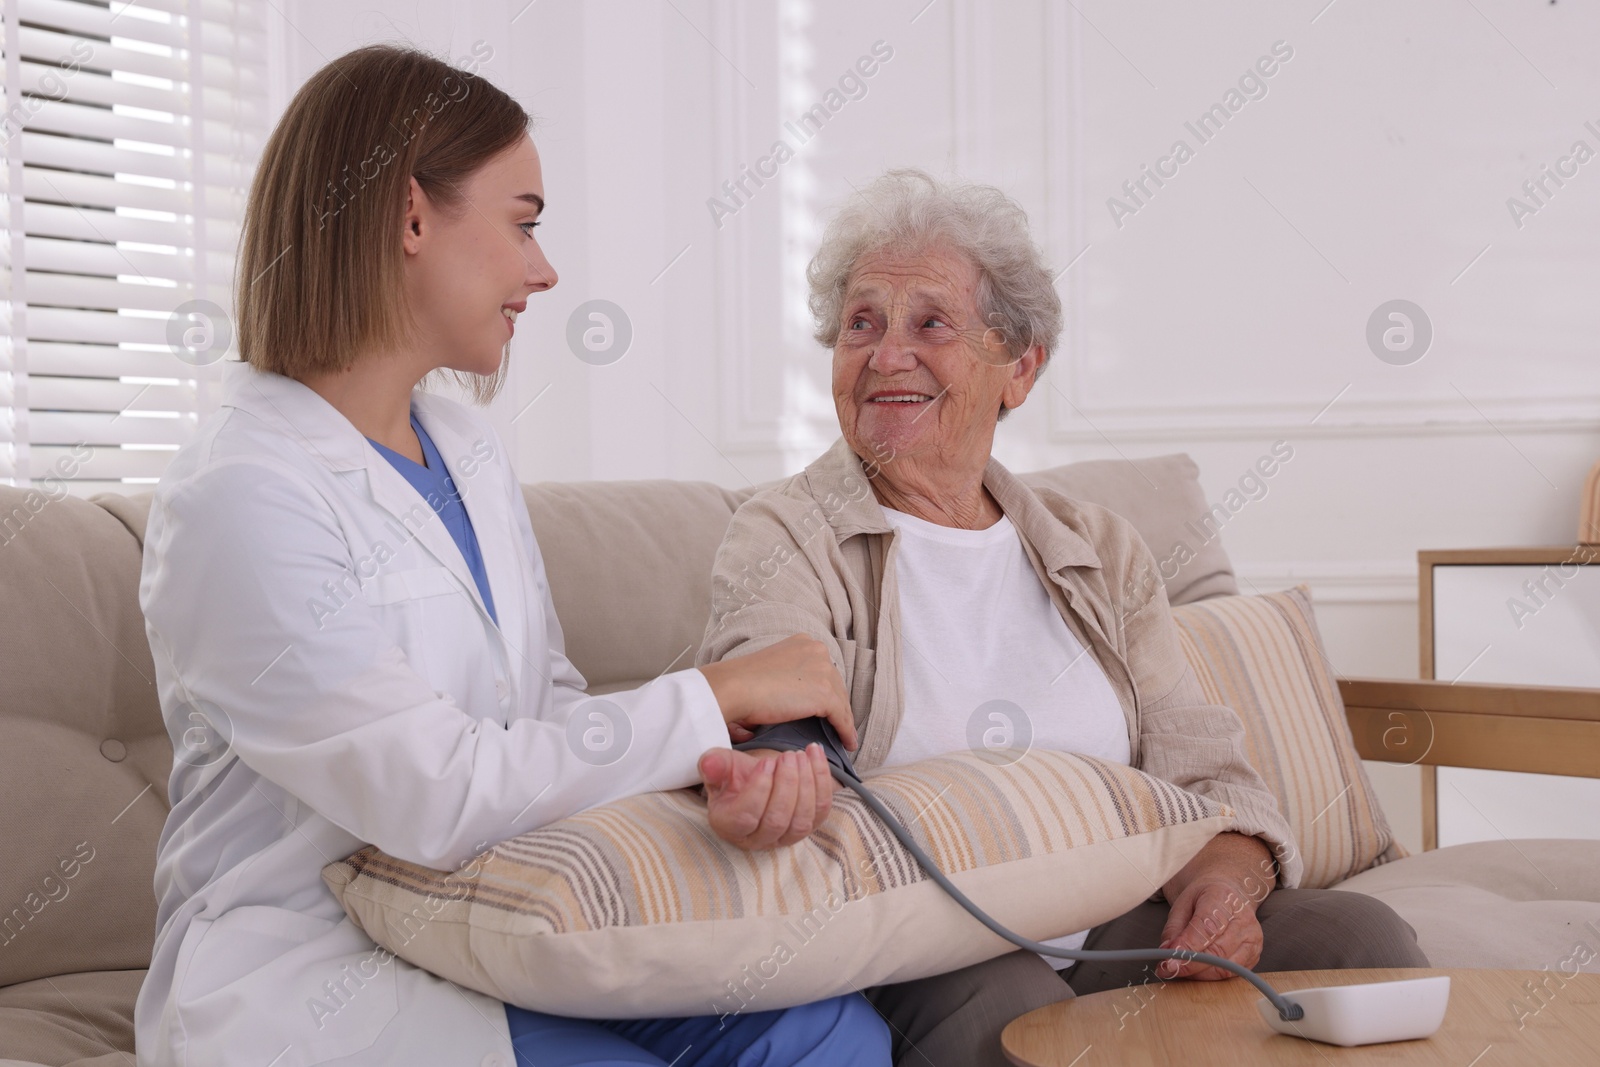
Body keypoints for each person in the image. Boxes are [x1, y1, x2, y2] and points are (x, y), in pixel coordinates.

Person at [134, 45, 890, 1067]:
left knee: (828, 1027)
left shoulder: (467, 448)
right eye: (523, 221)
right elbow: (433, 795)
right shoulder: (240, 495)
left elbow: (542, 710)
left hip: (491, 923)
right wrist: (707, 697)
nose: (544, 268)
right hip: (314, 976)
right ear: (409, 216)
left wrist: (712, 767)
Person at [696, 168, 1430, 1066]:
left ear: (1021, 367)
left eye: (929, 323)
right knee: (1016, 1013)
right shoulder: (784, 533)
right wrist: (768, 772)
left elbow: (1212, 775)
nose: (887, 355)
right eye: (861, 324)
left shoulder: (1099, 550)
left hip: (1118, 916)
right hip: (923, 936)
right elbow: (771, 711)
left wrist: (1223, 887)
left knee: (1362, 940)